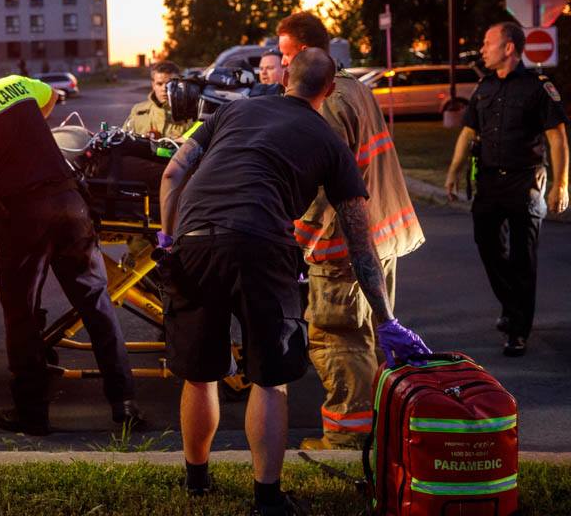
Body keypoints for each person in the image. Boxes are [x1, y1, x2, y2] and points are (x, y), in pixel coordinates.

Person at [158, 48, 429, 515]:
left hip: (195, 240)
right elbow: (361, 243)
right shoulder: (329, 142)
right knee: (269, 379)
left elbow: (173, 170)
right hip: (262, 245)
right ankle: (267, 498)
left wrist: (169, 237)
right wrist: (385, 319)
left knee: (201, 374)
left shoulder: (233, 111)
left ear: (285, 76)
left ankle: (196, 480)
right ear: (328, 90)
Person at [0, 57, 143, 435]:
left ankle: (32, 414)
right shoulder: (15, 84)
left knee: (21, 315)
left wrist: (0, 170)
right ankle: (124, 405)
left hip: (25, 216)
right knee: (96, 304)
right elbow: (51, 98)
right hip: (71, 203)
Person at [277, 12, 425, 450]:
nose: (283, 68)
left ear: (305, 52)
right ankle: (378, 435)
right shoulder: (357, 89)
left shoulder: (328, 104)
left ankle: (345, 441)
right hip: (383, 239)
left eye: (286, 56)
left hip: (341, 250)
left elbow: (325, 188)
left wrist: (296, 235)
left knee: (338, 341)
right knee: (374, 339)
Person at [445, 22, 569, 357]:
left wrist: (561, 184)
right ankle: (512, 304)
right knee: (486, 244)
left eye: (488, 43)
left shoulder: (537, 87)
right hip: (489, 182)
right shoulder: (484, 87)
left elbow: (557, 137)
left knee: (522, 257)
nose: (482, 49)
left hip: (525, 181)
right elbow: (469, 133)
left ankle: (518, 329)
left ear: (509, 48)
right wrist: (454, 171)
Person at [124, 60, 193, 139]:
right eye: (159, 84)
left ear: (179, 84)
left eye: (170, 84)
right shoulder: (138, 111)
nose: (164, 88)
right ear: (153, 85)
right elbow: (124, 140)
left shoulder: (190, 114)